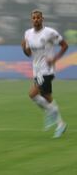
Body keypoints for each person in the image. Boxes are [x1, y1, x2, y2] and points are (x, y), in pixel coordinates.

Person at [21, 9, 68, 138]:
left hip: (47, 70)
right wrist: (24, 48)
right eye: (34, 18)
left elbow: (64, 45)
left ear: (42, 19)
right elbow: (29, 54)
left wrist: (55, 59)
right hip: (37, 71)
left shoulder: (50, 33)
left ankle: (60, 123)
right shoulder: (28, 34)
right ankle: (52, 115)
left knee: (38, 94)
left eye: (38, 17)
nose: (36, 20)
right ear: (31, 20)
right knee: (40, 96)